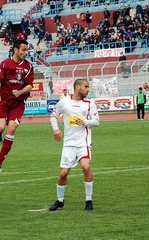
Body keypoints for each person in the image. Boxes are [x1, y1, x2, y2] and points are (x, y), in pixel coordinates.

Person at [49, 79, 99, 212]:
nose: (88, 89)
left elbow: (96, 121)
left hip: (84, 143)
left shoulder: (89, 103)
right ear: (77, 88)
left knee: (86, 167)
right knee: (63, 174)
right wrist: (56, 129)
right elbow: (53, 116)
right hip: (69, 144)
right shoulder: (64, 102)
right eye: (85, 86)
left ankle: (88, 200)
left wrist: (85, 121)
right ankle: (60, 201)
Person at [0, 39, 34, 174]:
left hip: (17, 103)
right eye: (24, 50)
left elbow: (29, 86)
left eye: (27, 50)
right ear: (15, 50)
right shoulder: (5, 64)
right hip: (3, 102)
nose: (26, 52)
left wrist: (20, 92)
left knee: (11, 128)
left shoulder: (28, 67)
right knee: (0, 128)